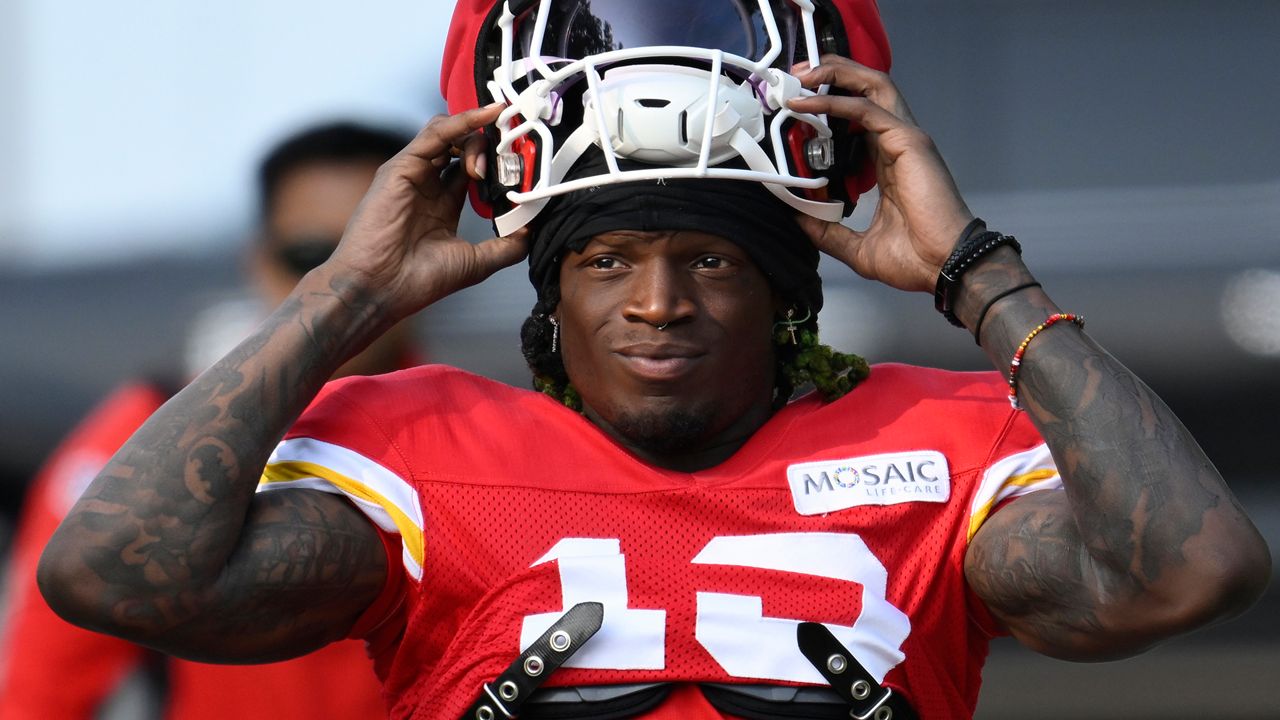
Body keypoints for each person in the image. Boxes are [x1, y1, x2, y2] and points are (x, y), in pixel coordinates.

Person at [36, 2, 1271, 719]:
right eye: (608, 260)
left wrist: (978, 274)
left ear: (786, 288)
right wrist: (345, 293)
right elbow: (111, 577)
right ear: (550, 289)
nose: (660, 303)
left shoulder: (936, 445)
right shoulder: (417, 448)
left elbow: (1190, 570)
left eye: (712, 262)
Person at [1, 121, 415, 719]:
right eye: (311, 257)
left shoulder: (481, 429)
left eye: (382, 248)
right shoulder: (139, 438)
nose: (347, 281)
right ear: (257, 261)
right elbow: (38, 699)